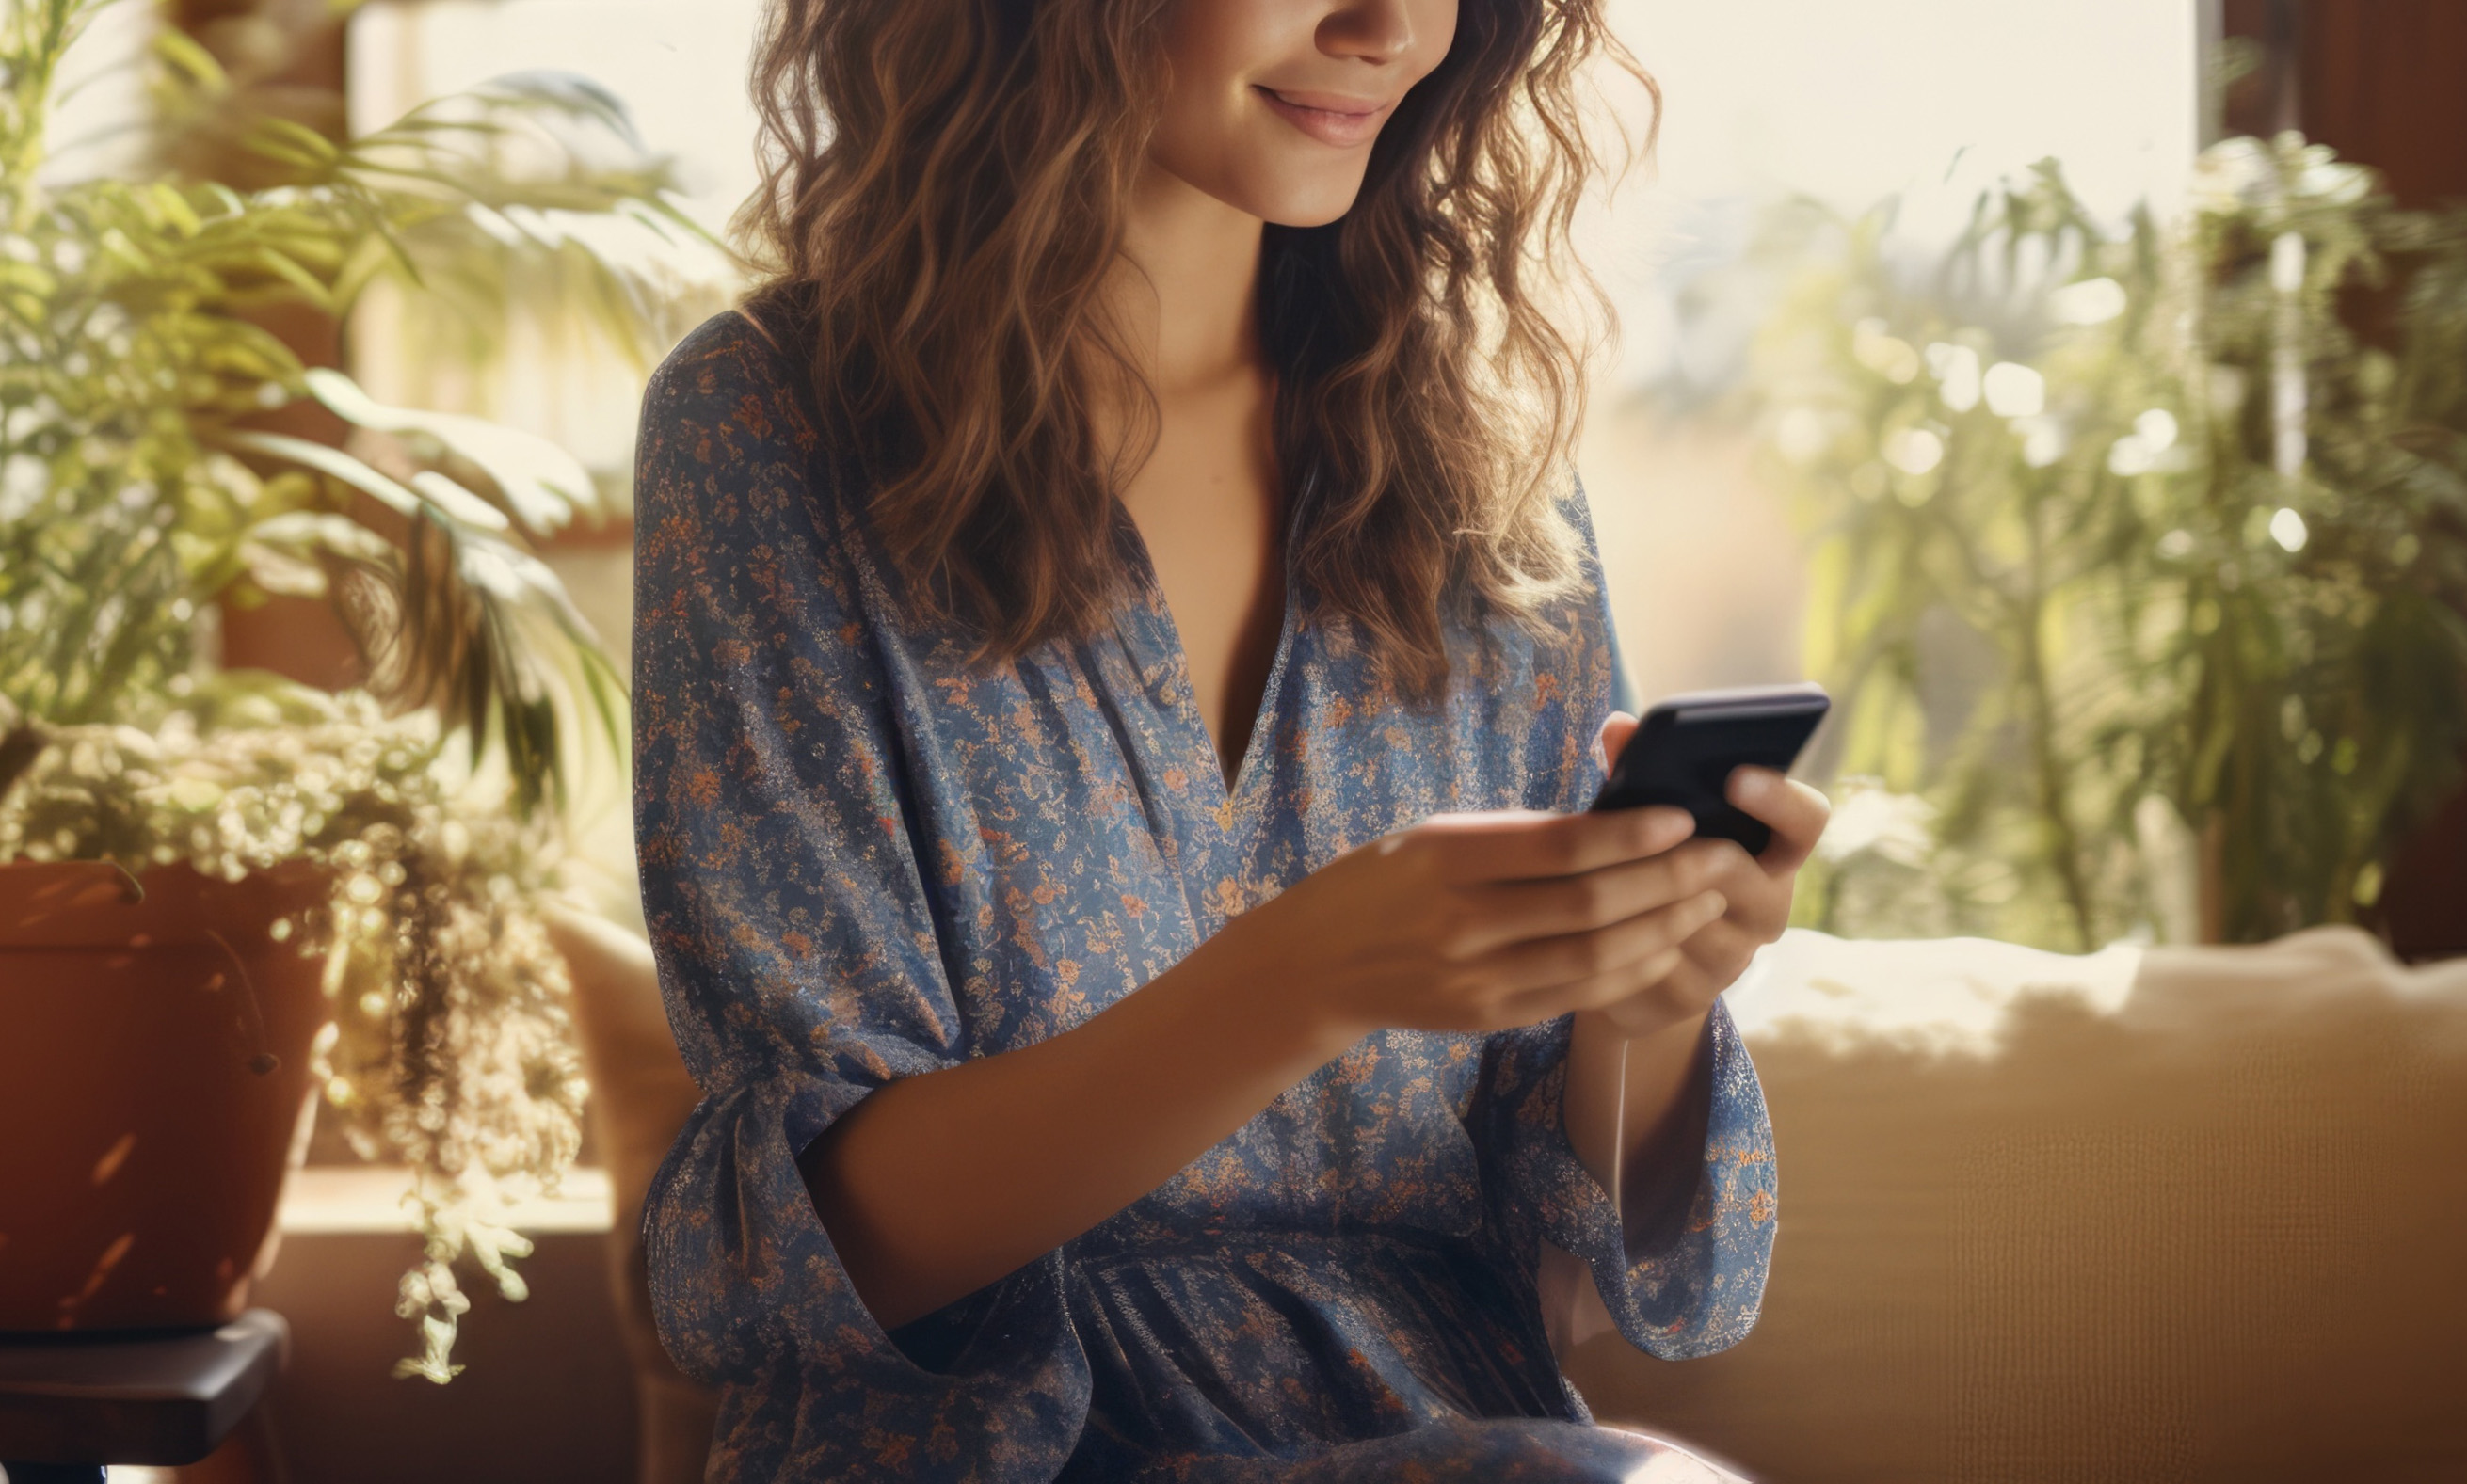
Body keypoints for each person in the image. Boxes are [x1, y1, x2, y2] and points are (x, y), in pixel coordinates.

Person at [630, 0, 1828, 1477]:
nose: (1386, 26)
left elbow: (1587, 1274)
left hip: (1447, 1427)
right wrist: (1301, 977)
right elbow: (784, 1259)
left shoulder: (1479, 463)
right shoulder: (772, 425)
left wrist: (1648, 985)